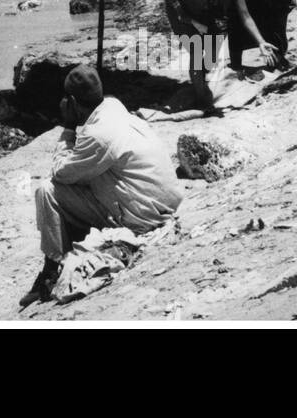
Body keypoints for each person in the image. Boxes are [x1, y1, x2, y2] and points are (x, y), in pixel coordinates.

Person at [20, 65, 183, 307]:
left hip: (143, 216)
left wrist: (67, 127)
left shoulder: (98, 134)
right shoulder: (114, 107)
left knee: (47, 190)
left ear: (72, 101)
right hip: (162, 201)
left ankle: (50, 270)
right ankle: (59, 256)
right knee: (89, 178)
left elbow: (61, 173)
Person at [162, 0, 283, 111]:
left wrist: (260, 42)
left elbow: (245, 16)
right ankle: (202, 99)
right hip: (181, 12)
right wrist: (183, 15)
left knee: (211, 55)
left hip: (206, 11)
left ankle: (200, 77)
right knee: (196, 51)